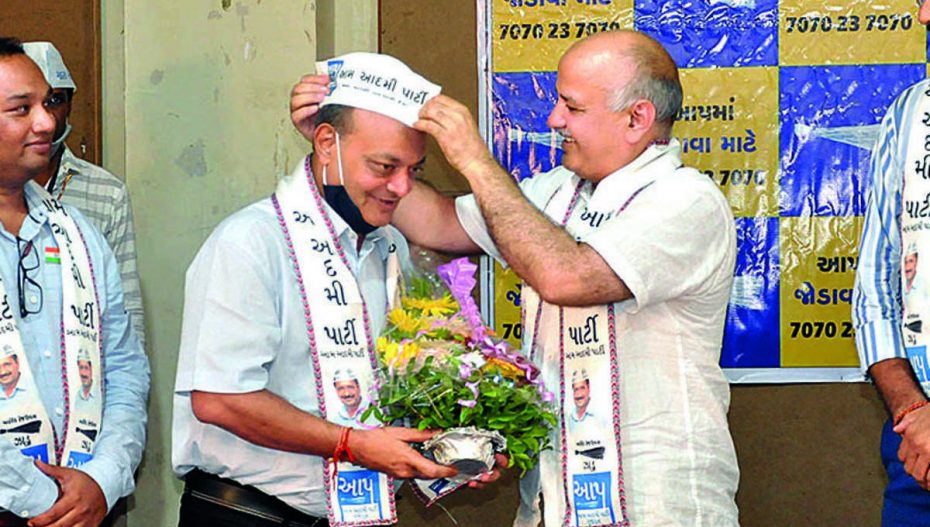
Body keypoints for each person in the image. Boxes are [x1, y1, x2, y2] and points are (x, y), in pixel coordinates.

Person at [292, 29, 739, 526]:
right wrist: (338, 149)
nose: (554, 119)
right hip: (554, 502)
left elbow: (566, 278)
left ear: (637, 118)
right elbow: (437, 223)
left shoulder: (686, 201)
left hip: (655, 505)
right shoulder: (559, 190)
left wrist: (475, 161)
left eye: (572, 107)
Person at [174, 52, 503, 527]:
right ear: (326, 143)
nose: (402, 187)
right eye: (385, 166)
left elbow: (390, 391)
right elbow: (220, 399)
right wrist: (352, 445)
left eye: (414, 169)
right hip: (246, 514)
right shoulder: (251, 241)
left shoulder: (388, 245)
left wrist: (452, 451)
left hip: (351, 513)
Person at [0, 37, 149, 527]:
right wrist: (42, 499)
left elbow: (124, 368)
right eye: (21, 109)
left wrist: (102, 480)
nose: (47, 122)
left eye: (47, 104)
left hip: (84, 505)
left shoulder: (77, 234)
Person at [852, 2, 930, 524]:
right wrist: (913, 410)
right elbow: (876, 292)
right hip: (919, 451)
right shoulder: (911, 112)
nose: (924, 14)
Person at [22, 41, 145, 347]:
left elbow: (126, 308)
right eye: (25, 105)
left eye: (55, 100)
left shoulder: (107, 192)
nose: (45, 117)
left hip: (82, 360)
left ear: (70, 105)